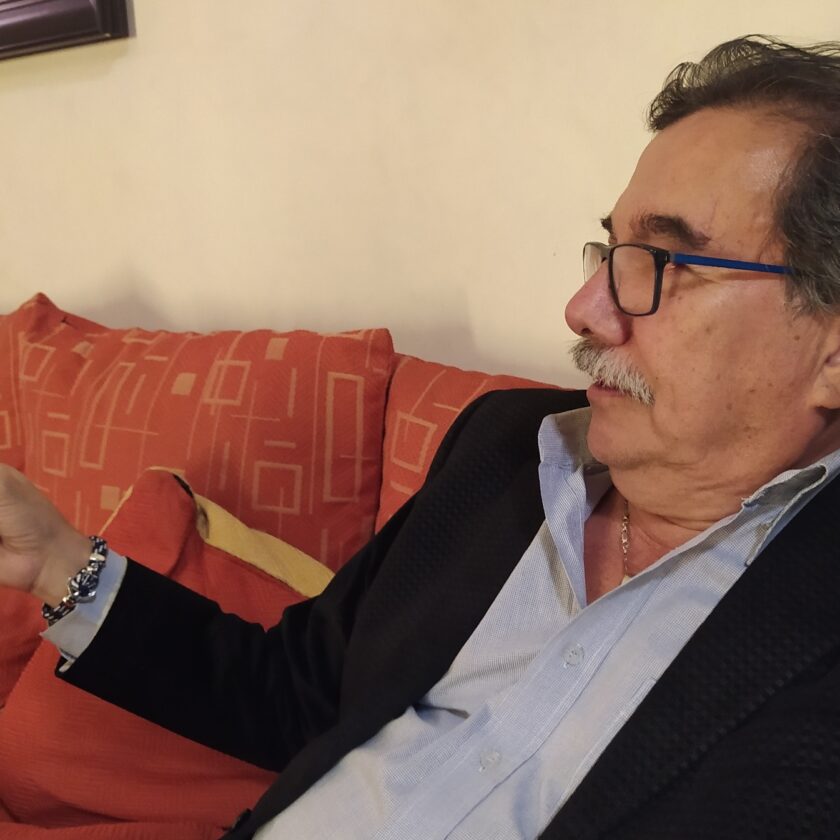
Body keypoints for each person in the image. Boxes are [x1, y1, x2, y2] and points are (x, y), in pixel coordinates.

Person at [2, 34, 840, 840]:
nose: (583, 310)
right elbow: (297, 693)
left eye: (661, 262)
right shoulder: (505, 452)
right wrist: (54, 559)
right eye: (610, 251)